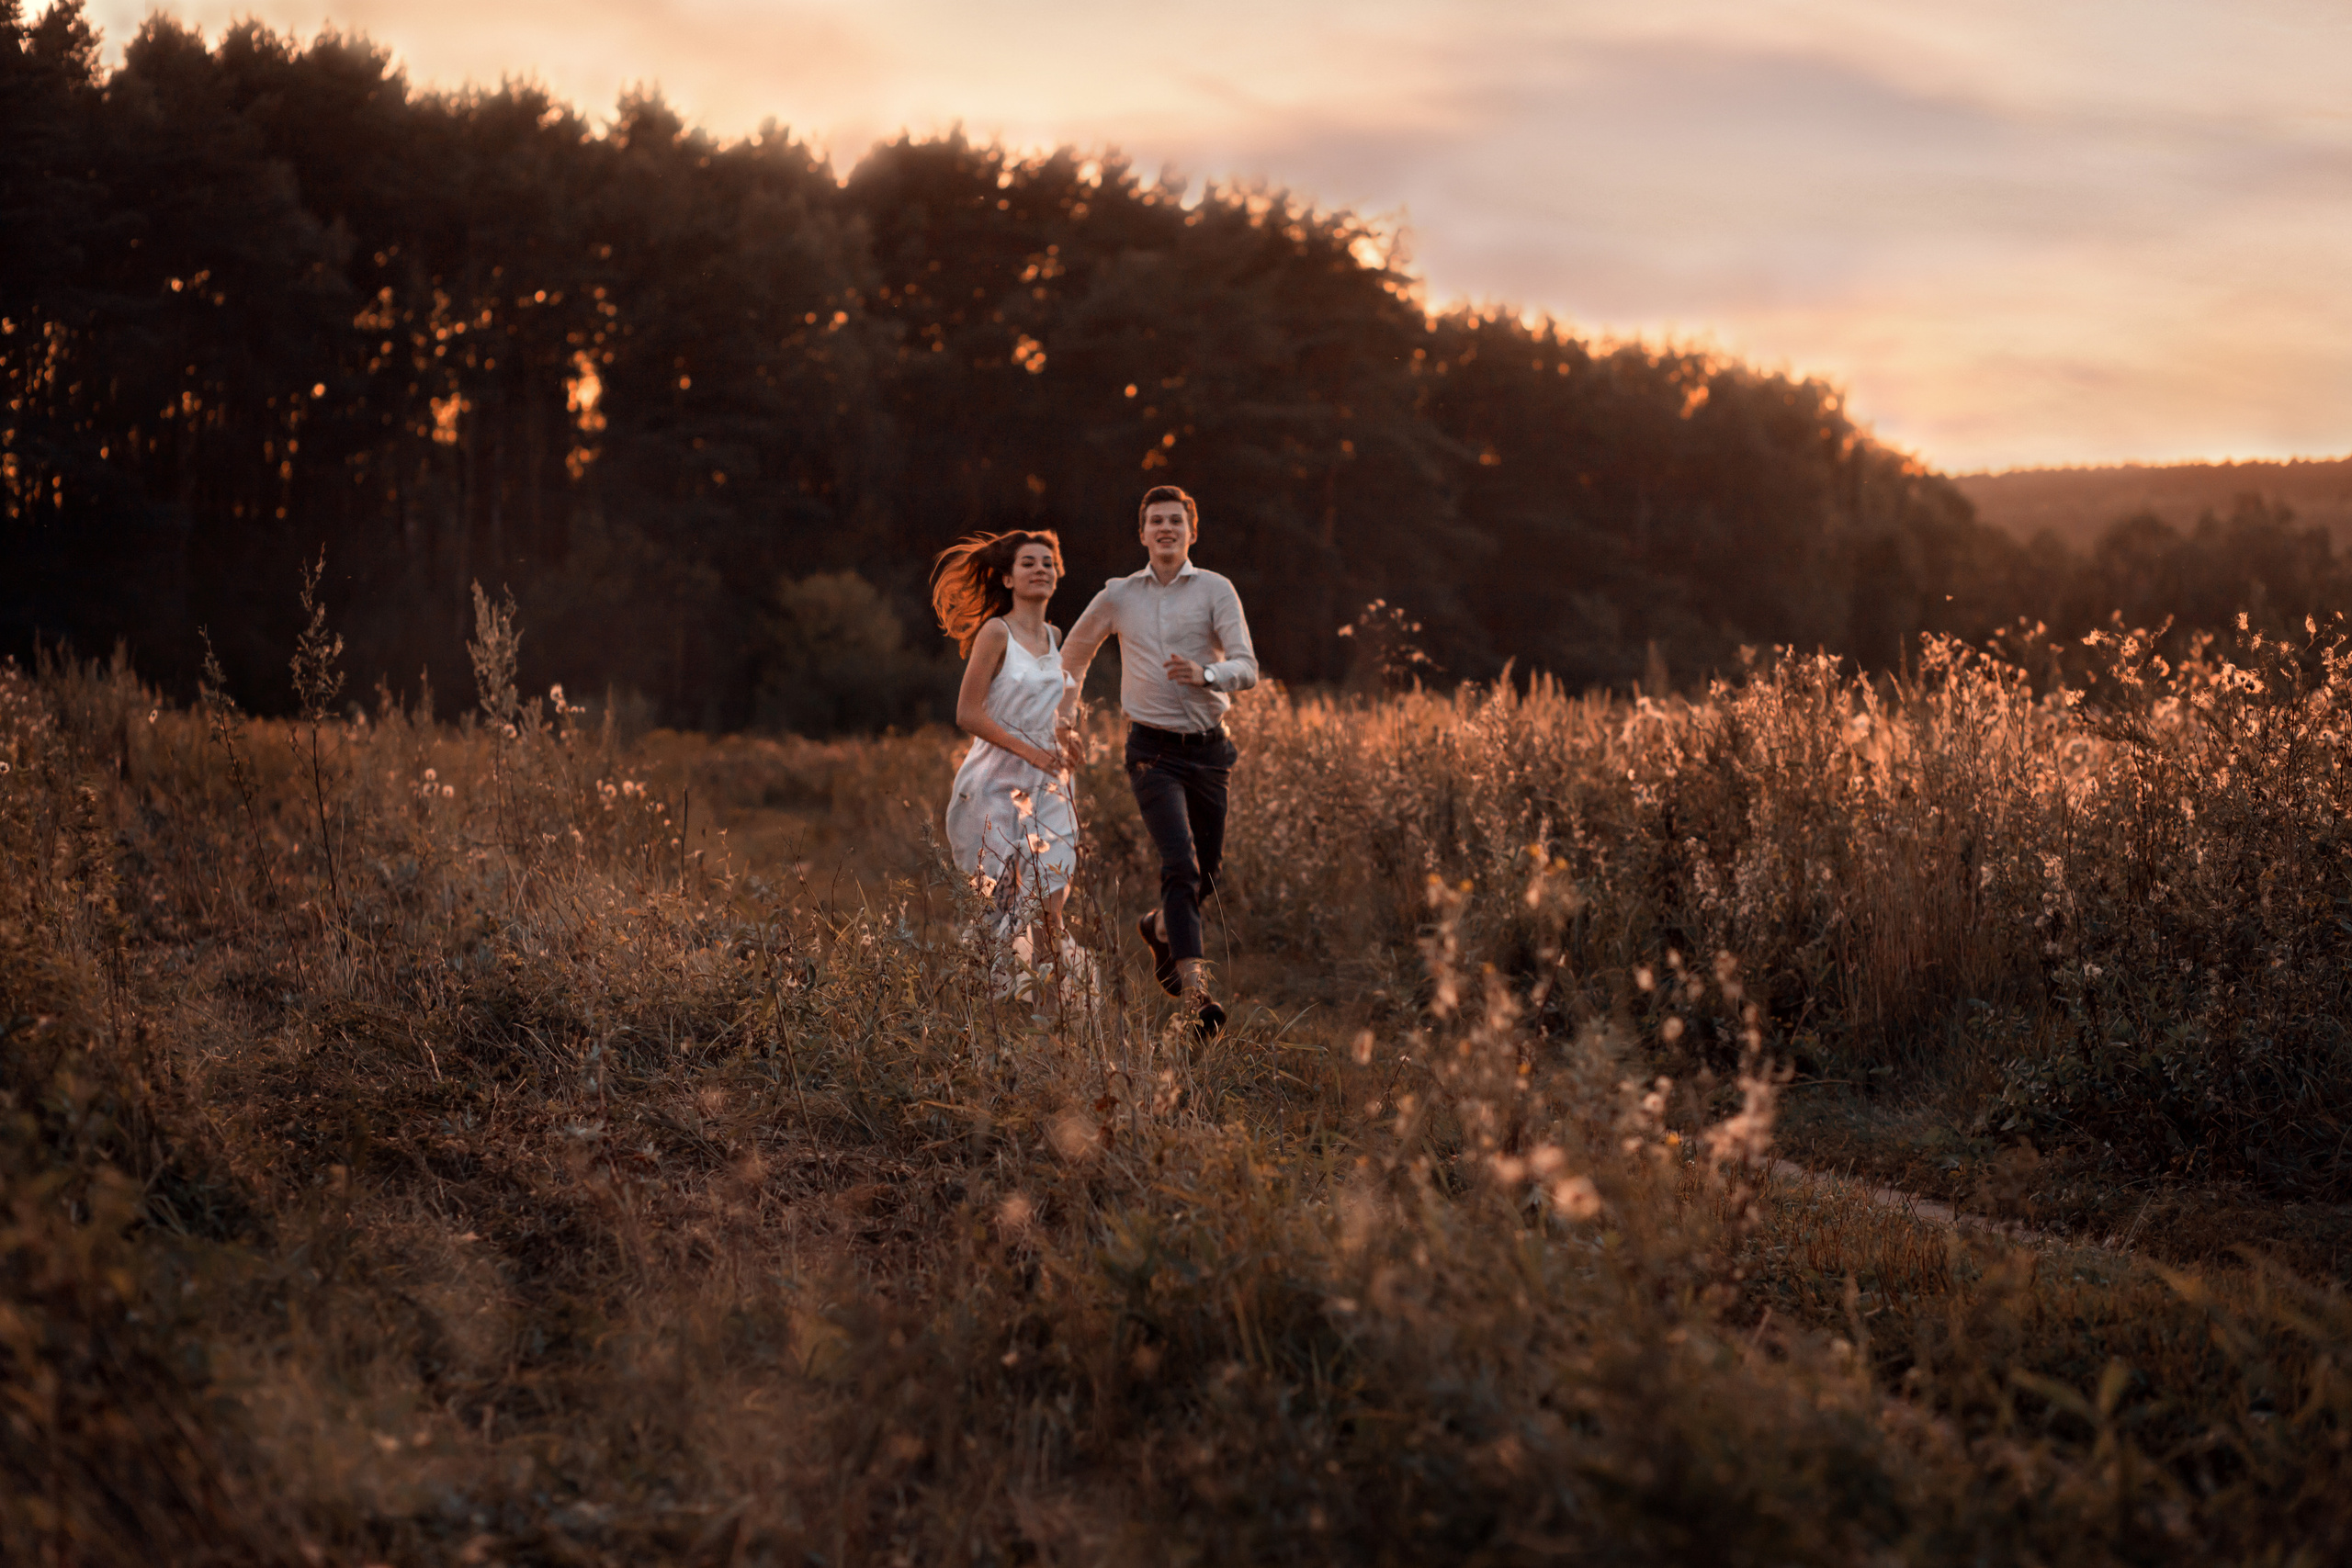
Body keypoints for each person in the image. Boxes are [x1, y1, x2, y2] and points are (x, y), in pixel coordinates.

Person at [1056, 484, 1257, 1037]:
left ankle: (1160, 926)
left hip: (1210, 750)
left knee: (1208, 873)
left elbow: (1247, 665)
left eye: (1175, 521)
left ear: (1192, 531)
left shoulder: (1216, 590)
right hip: (1151, 752)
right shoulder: (1119, 596)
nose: (1165, 529)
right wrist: (1066, 720)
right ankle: (1197, 997)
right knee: (1181, 865)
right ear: (1142, 533)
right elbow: (1073, 657)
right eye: (1155, 522)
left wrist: (1207, 674)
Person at [933, 530, 1084, 982]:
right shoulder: (996, 632)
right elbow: (967, 713)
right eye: (1029, 563)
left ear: (1057, 575)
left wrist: (1067, 736)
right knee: (994, 914)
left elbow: (1054, 709)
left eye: (1047, 563)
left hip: (1052, 786)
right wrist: (1029, 752)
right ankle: (984, 1019)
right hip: (995, 784)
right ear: (1007, 578)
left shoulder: (1056, 637)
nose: (1041, 569)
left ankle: (1056, 1022)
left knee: (1050, 905)